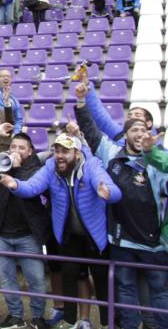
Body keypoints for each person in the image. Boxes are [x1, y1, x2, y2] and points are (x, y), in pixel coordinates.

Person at [0, 133, 121, 329]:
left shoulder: (91, 165)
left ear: (77, 153)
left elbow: (113, 189)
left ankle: (109, 323)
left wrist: (108, 193)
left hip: (94, 236)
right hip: (68, 235)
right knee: (70, 276)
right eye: (56, 150)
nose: (59, 155)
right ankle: (71, 321)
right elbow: (32, 187)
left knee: (102, 280)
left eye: (65, 151)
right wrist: (16, 185)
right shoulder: (51, 167)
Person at [75, 99, 168, 329]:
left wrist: (151, 152)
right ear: (125, 135)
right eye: (133, 129)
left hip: (154, 244)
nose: (139, 133)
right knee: (125, 292)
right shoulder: (112, 153)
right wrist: (80, 101)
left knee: (160, 293)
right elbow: (91, 131)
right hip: (121, 241)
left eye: (143, 129)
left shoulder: (158, 161)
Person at [0, 124, 50, 329]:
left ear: (30, 151)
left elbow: (30, 187)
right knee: (7, 279)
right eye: (13, 146)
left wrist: (15, 167)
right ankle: (15, 315)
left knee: (36, 280)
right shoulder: (0, 164)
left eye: (22, 148)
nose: (16, 150)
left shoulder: (38, 169)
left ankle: (37, 317)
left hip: (27, 235)